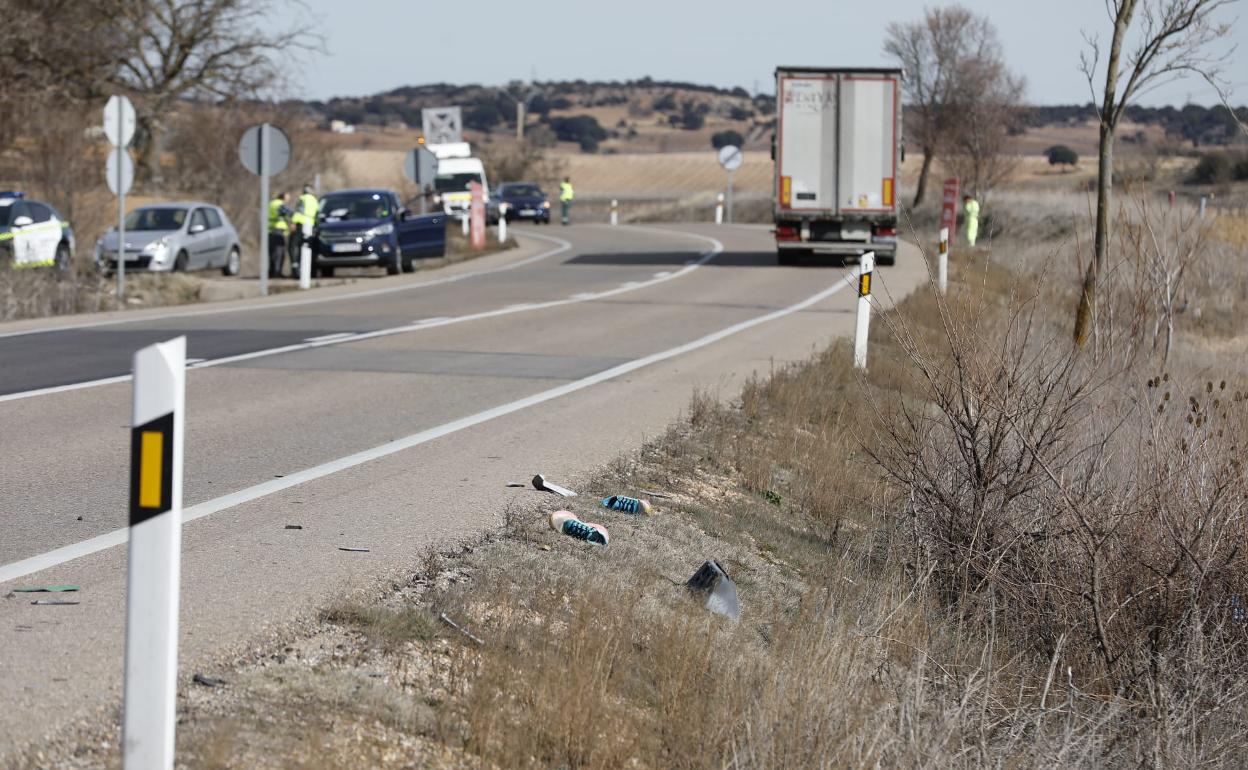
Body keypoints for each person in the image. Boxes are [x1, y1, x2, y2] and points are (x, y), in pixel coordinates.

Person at [289, 184, 319, 278]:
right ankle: (306, 272)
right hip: (310, 225)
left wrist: (293, 222)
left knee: (294, 247)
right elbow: (317, 214)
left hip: (300, 224)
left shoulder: (303, 198)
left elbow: (299, 211)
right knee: (306, 248)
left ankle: (296, 270)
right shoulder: (315, 201)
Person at [267, 191, 292, 278]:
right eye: (288, 197)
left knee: (272, 253)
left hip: (270, 231)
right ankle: (277, 273)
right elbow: (289, 212)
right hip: (277, 231)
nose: (289, 199)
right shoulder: (280, 204)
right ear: (284, 197)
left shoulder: (272, 203)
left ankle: (271, 272)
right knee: (279, 253)